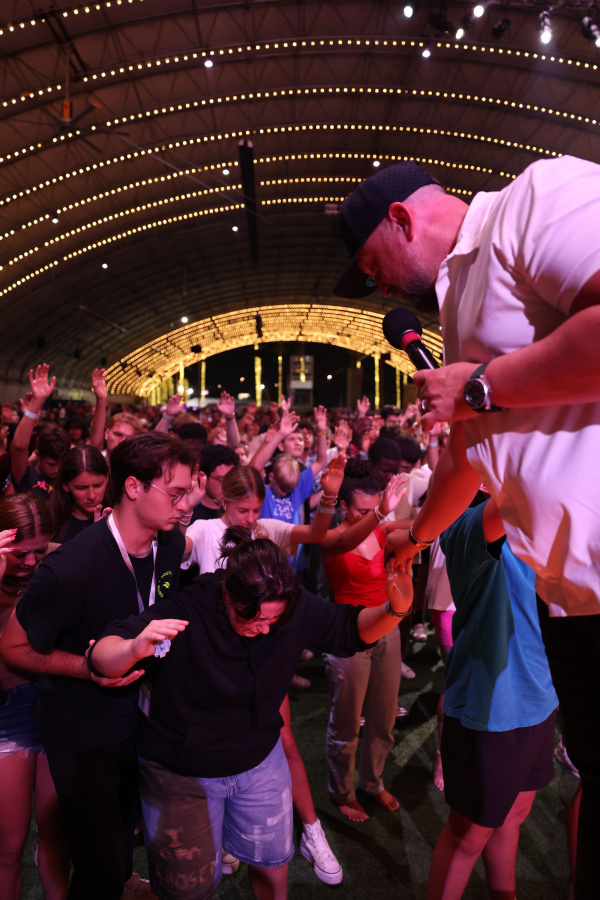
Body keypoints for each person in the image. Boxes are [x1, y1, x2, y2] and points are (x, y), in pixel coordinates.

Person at [334, 156, 600, 900]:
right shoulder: (459, 303)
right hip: (572, 602)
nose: (380, 288)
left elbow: (486, 403)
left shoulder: (533, 199)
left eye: (372, 265)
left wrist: (482, 385)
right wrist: (417, 536)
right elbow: (468, 458)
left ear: (400, 220)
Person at [87, 524, 415, 900]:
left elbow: (349, 630)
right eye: (251, 618)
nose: (263, 629)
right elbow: (102, 654)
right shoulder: (189, 606)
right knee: (187, 892)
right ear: (227, 594)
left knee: (273, 871)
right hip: (182, 771)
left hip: (259, 760)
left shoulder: (292, 605)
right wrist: (131, 649)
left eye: (273, 621)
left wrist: (395, 610)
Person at [0, 432, 199, 900]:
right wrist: (86, 668)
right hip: (83, 731)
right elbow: (13, 647)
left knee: (124, 842)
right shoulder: (71, 566)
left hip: (141, 723)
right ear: (133, 487)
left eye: (188, 492)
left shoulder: (170, 544)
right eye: (175, 493)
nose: (185, 504)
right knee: (99, 866)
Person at [427, 496, 558, 900]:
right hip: (491, 711)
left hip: (541, 701)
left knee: (512, 816)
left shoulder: (543, 528)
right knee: (467, 834)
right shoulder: (466, 525)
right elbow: (522, 491)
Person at [318, 461, 409, 821]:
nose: (370, 515)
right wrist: (381, 514)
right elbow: (349, 540)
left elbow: (422, 526)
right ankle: (342, 792)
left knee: (384, 715)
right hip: (346, 634)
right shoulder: (331, 538)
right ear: (343, 507)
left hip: (387, 628)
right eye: (362, 510)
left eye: (374, 508)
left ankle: (372, 783)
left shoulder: (382, 529)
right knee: (347, 721)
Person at [0, 495, 70, 900]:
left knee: (56, 831)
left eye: (38, 551)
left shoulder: (55, 563)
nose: (29, 562)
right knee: (10, 844)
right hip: (8, 714)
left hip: (54, 701)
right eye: (20, 553)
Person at [49, 445, 110, 543]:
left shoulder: (120, 516)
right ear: (65, 485)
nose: (91, 496)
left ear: (107, 478)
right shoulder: (51, 523)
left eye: (97, 485)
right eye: (81, 488)